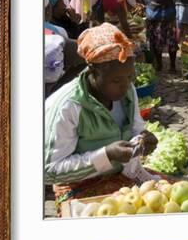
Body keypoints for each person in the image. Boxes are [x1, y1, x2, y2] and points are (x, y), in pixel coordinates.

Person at [44, 23, 159, 210]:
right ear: (93, 72)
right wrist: (105, 155)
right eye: (116, 80)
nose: (125, 85)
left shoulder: (127, 90)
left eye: (130, 77)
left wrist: (142, 138)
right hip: (77, 184)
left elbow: (136, 127)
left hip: (123, 174)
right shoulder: (67, 106)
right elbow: (49, 171)